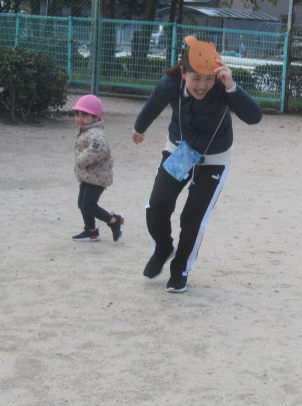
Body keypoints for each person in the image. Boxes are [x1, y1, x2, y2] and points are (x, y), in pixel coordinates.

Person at [132, 36, 262, 293]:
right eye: (196, 78)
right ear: (183, 73)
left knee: (193, 219)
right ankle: (163, 248)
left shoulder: (223, 88)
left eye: (209, 79)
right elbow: (153, 105)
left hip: (215, 157)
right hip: (180, 150)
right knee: (157, 205)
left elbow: (254, 117)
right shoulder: (170, 84)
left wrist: (231, 86)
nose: (202, 86)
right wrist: (139, 128)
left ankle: (180, 269)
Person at [72, 94, 124, 242]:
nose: (79, 119)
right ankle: (91, 231)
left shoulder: (96, 133)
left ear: (95, 117)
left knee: (88, 204)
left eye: (84, 115)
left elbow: (100, 150)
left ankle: (114, 221)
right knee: (82, 204)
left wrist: (80, 160)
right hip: (88, 175)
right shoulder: (86, 130)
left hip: (97, 176)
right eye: (77, 115)